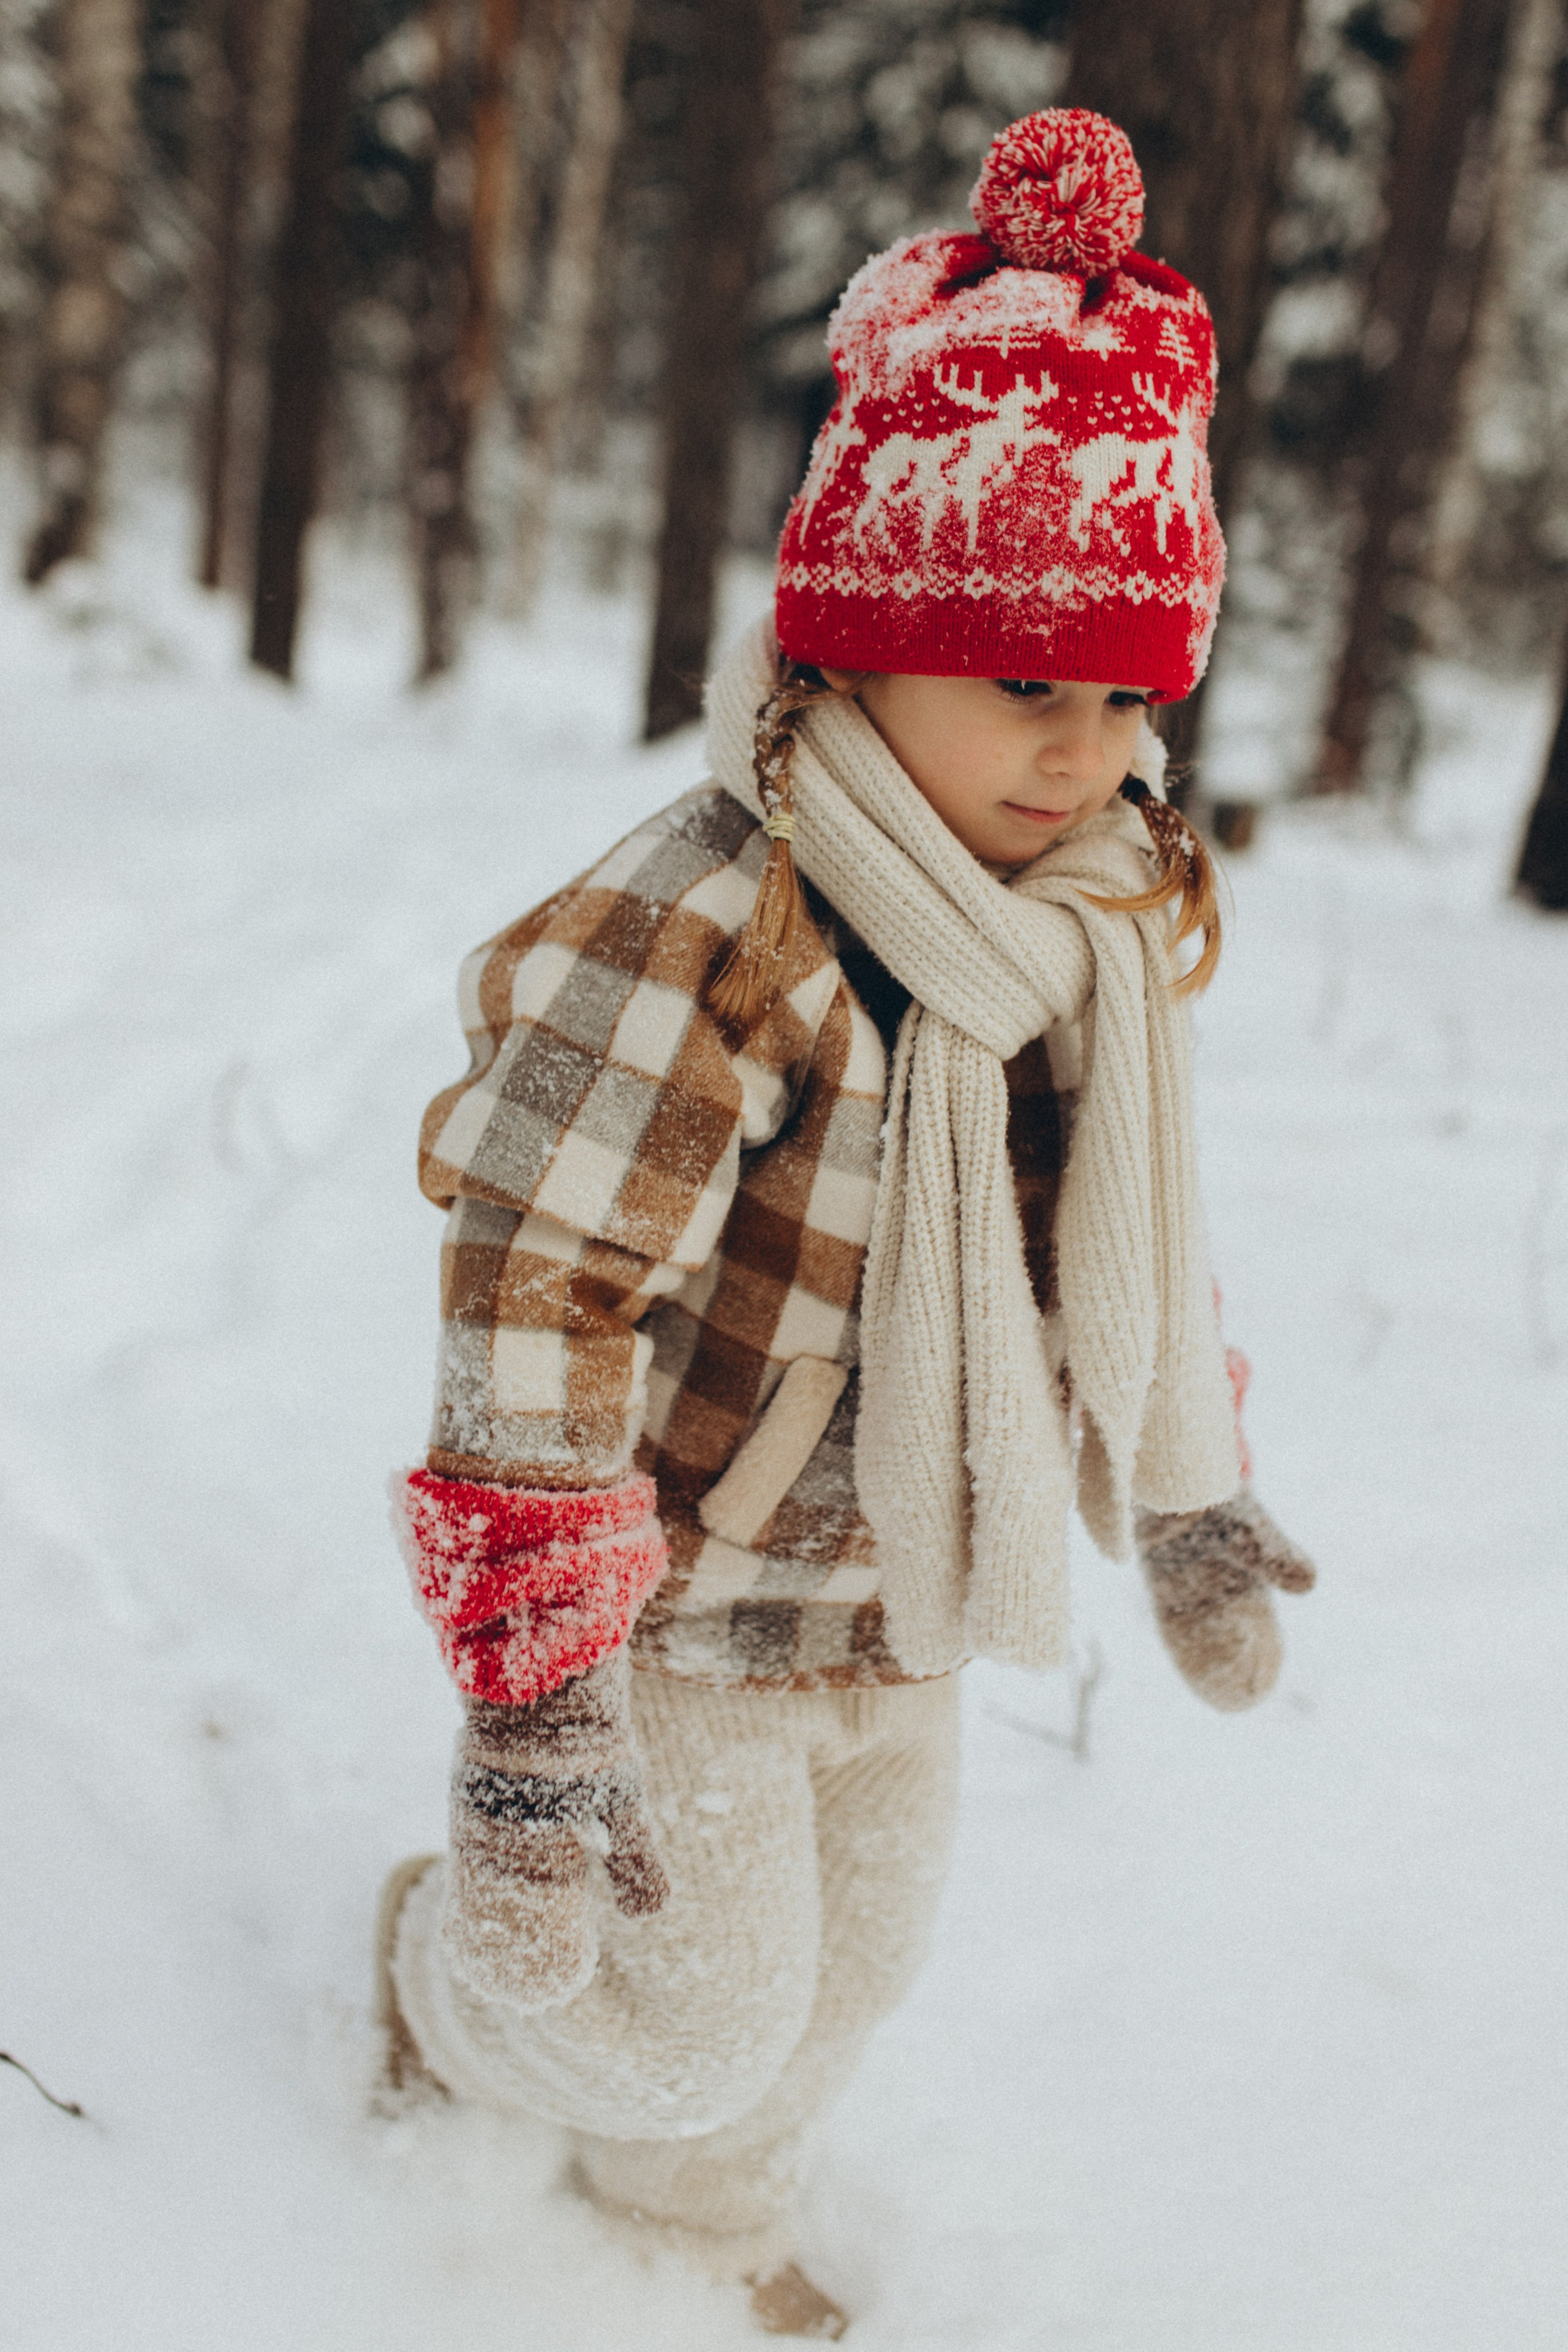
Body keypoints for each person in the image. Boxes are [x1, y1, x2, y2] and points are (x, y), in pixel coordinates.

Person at [379, 106, 1316, 2340]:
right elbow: (546, 1277)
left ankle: (695, 2224)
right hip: (699, 1596)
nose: (1081, 752)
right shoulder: (720, 921)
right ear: (866, 637)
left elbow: (1123, 1231)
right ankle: (427, 1982)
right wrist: (537, 1699)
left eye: (1118, 693)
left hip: (913, 1584)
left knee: (852, 1973)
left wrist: (1184, 1492)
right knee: (685, 1994)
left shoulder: (1075, 928)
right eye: (1022, 681)